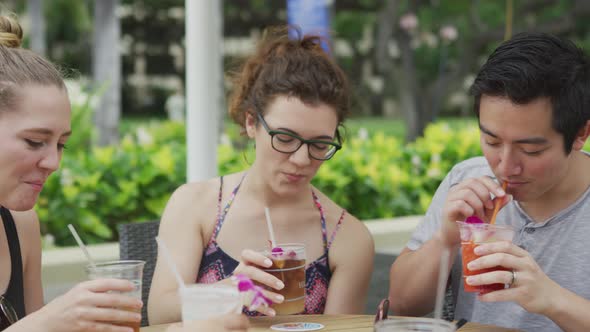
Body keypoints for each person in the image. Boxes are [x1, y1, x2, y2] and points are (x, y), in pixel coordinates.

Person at [0, 14, 248, 332]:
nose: (53, 162)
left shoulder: (20, 225)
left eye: (60, 144)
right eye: (35, 141)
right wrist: (50, 320)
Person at [148, 26, 374, 324]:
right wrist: (230, 290)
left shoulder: (346, 237)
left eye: (320, 144)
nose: (301, 159)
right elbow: (158, 316)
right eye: (285, 138)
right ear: (252, 122)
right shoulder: (196, 205)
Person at [388, 32, 590, 331]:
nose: (506, 166)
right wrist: (445, 239)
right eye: (491, 141)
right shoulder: (466, 179)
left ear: (580, 135)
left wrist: (552, 299)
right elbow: (401, 305)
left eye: (531, 149)